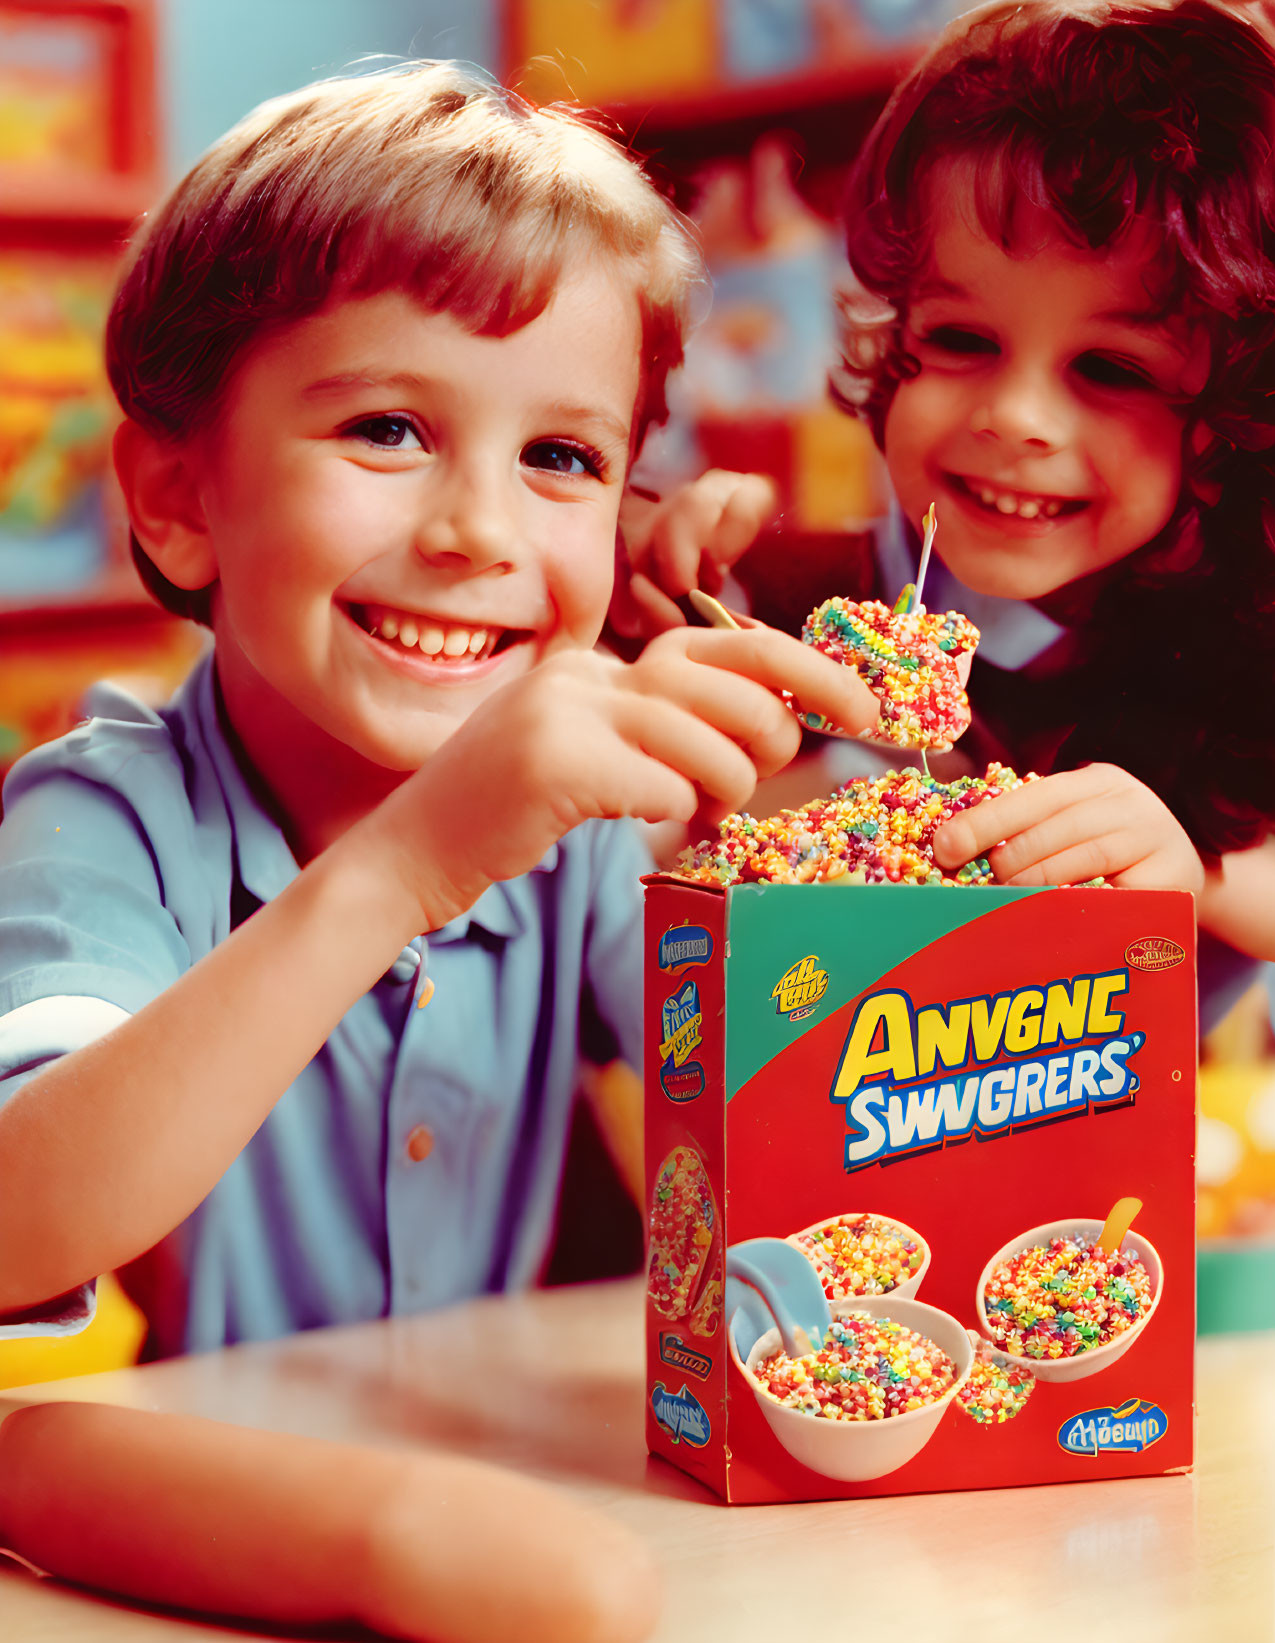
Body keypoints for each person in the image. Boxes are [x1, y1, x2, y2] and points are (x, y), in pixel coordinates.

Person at [0, 62, 879, 1354]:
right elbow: (21, 1218)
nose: (478, 530)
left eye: (561, 458)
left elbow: (813, 1107)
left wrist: (796, 821)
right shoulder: (105, 811)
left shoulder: (571, 829)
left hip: (495, 1458)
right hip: (217, 1491)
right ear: (180, 498)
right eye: (387, 427)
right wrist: (415, 859)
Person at [641, 0, 1275, 1023]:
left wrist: (1195, 869)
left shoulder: (1237, 657)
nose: (1015, 417)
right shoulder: (789, 598)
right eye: (963, 340)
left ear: (1231, 421)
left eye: (1109, 367)